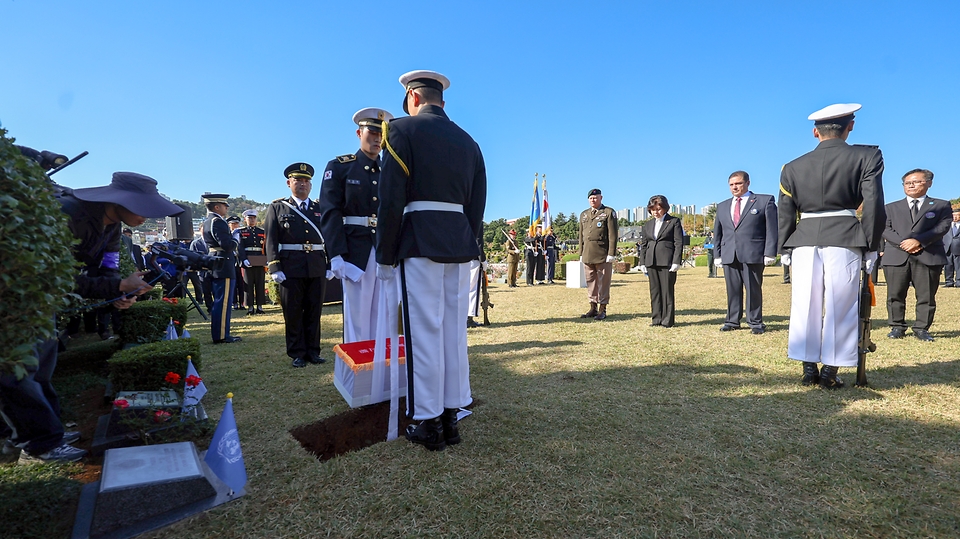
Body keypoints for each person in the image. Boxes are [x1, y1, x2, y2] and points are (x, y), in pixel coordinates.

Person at [2, 170, 179, 464]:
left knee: (42, 368)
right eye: (141, 207)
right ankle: (38, 444)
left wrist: (118, 294)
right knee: (18, 374)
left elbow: (108, 267)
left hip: (44, 305)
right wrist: (118, 286)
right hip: (19, 302)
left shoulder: (110, 228)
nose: (146, 216)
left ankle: (49, 431)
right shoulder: (67, 215)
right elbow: (51, 276)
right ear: (119, 201)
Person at [377, 70, 486, 450]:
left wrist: (385, 253)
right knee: (454, 333)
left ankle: (426, 420)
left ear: (412, 97)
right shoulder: (469, 142)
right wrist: (467, 240)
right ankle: (452, 415)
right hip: (457, 242)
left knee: (424, 333)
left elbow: (390, 199)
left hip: (419, 240)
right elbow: (477, 206)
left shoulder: (401, 130)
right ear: (441, 100)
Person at [778, 103, 885, 389]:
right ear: (850, 126)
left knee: (804, 303)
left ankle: (808, 367)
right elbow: (873, 204)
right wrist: (871, 245)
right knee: (841, 304)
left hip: (803, 240)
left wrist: (785, 247)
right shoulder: (867, 156)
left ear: (816, 132)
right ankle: (830, 371)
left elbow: (785, 212)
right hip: (845, 236)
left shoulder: (792, 167)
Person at [318, 107, 394, 343]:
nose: (377, 138)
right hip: (354, 251)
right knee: (357, 317)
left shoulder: (390, 170)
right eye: (372, 131)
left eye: (381, 132)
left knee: (385, 316)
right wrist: (336, 254)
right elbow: (330, 211)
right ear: (358, 133)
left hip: (384, 250)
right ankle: (360, 371)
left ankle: (381, 369)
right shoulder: (340, 166)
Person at [265, 163, 329, 368]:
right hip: (290, 267)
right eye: (298, 180)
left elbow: (329, 236)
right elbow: (271, 239)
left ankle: (313, 351)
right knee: (293, 311)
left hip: (317, 266)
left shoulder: (319, 208)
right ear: (288, 183)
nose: (303, 184)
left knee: (313, 310)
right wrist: (274, 266)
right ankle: (297, 353)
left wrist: (330, 263)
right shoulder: (278, 207)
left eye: (306, 181)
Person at [881, 169, 951, 342]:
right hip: (896, 256)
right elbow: (884, 228)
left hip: (928, 255)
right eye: (907, 183)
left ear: (929, 183)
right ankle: (897, 327)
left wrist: (918, 241)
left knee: (926, 295)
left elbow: (942, 227)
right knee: (895, 294)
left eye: (916, 181)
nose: (911, 185)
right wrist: (904, 243)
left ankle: (921, 328)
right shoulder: (890, 207)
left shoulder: (941, 205)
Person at [713, 171, 778, 334]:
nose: (735, 187)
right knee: (732, 289)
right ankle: (732, 321)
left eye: (738, 183)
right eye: (732, 184)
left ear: (748, 183)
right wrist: (717, 254)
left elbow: (772, 229)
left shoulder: (764, 201)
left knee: (753, 289)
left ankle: (755, 322)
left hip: (753, 253)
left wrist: (770, 252)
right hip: (729, 253)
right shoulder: (722, 206)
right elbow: (718, 232)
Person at [202, 195, 242, 344]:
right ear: (217, 207)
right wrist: (235, 239)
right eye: (224, 205)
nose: (227, 208)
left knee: (220, 300)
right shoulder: (218, 221)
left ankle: (222, 333)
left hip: (216, 261)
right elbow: (226, 244)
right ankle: (221, 335)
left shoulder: (208, 221)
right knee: (223, 302)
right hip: (223, 263)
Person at [639, 195, 683, 327]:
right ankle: (656, 319)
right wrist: (642, 262)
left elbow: (678, 243)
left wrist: (676, 261)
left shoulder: (674, 221)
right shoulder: (648, 224)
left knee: (667, 291)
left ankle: (667, 320)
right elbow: (644, 245)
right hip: (651, 261)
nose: (656, 212)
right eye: (653, 210)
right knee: (655, 291)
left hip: (667, 261)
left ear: (664, 208)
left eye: (658, 209)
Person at [578, 188, 618, 320]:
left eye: (595, 198)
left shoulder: (608, 212)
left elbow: (613, 234)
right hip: (588, 253)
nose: (593, 200)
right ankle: (593, 307)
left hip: (602, 254)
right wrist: (581, 252)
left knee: (603, 282)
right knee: (591, 282)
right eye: (591, 198)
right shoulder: (584, 214)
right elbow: (581, 236)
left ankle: (603, 309)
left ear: (601, 198)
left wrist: (611, 253)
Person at [237, 209, 266, 315]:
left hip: (259, 260)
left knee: (260, 283)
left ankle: (260, 306)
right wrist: (243, 259)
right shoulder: (242, 232)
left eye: (253, 218)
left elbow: (265, 246)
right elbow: (240, 247)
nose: (252, 220)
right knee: (248, 284)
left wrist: (266, 259)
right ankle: (250, 307)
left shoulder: (261, 232)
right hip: (248, 260)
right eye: (249, 218)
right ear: (245, 219)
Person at [189, 229, 214, 311]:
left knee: (215, 291)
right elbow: (191, 256)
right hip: (203, 271)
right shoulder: (196, 243)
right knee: (206, 291)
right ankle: (210, 308)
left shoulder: (213, 241)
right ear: (200, 231)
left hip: (214, 270)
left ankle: (217, 307)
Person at [226, 215, 245, 310]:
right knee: (233, 283)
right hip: (231, 260)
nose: (235, 226)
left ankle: (242, 302)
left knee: (242, 283)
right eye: (233, 224)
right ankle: (234, 303)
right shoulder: (228, 235)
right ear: (229, 225)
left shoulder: (240, 234)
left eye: (236, 223)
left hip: (240, 261)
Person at [943, 207, 960, 287]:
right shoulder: (946, 225)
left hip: (958, 248)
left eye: (957, 215)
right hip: (947, 247)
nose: (955, 217)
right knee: (948, 266)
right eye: (954, 215)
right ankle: (948, 282)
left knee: (958, 266)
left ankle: (958, 282)